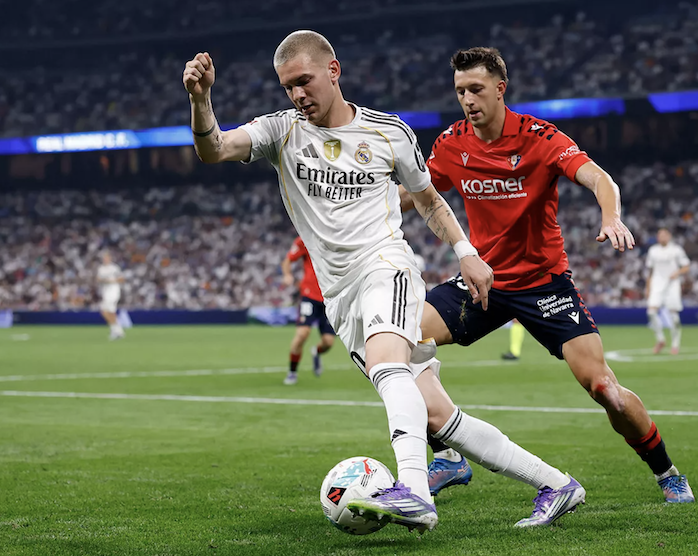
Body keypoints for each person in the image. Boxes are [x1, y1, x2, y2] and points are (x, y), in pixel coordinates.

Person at [182, 30, 498, 533]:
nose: (297, 94)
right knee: (436, 414)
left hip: (386, 266)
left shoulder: (388, 131)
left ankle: (415, 491)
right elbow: (214, 149)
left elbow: (431, 200)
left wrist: (465, 252)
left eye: (304, 81)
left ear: (333, 71)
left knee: (386, 368)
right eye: (288, 87)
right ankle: (555, 483)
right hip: (340, 292)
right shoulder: (281, 130)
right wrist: (202, 102)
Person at [402, 47, 695, 505]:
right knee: (399, 344)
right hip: (485, 282)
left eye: (476, 89)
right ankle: (446, 457)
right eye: (460, 91)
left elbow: (600, 178)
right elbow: (415, 194)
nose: (467, 100)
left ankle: (667, 472)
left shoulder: (539, 137)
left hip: (544, 284)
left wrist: (611, 217)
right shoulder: (452, 144)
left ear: (501, 89)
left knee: (605, 390)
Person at [280, 236, 336, 385]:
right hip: (309, 295)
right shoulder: (305, 237)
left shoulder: (336, 235)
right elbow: (287, 260)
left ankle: (316, 352)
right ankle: (292, 372)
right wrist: (287, 275)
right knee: (302, 333)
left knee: (328, 342)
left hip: (330, 297)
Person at [645, 228, 690, 355]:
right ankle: (660, 339)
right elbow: (650, 271)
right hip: (657, 284)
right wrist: (648, 288)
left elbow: (686, 266)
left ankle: (675, 344)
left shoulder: (676, 250)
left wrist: (677, 272)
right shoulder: (653, 251)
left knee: (674, 317)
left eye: (664, 235)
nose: (662, 237)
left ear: (669, 236)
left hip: (672, 284)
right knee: (651, 312)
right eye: (659, 235)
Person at [96, 251, 125, 340]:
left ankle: (116, 330)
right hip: (105, 292)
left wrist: (111, 281)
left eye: (107, 257)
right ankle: (117, 330)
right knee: (107, 312)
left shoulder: (114, 268)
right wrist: (103, 281)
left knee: (107, 311)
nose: (105, 259)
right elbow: (98, 279)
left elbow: (121, 279)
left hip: (114, 291)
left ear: (110, 258)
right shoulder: (101, 268)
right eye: (104, 258)